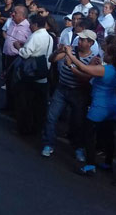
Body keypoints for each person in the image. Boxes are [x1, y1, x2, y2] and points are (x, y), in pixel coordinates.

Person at [66, 43, 116, 175]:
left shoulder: (105, 70)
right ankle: (108, 163)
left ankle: (90, 165)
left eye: (106, 53)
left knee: (89, 135)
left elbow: (84, 68)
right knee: (109, 136)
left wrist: (70, 56)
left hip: (99, 106)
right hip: (112, 105)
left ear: (110, 56)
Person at [42, 29, 95, 160]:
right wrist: (59, 51)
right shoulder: (72, 50)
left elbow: (86, 77)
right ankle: (48, 143)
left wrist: (71, 65)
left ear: (90, 43)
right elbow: (52, 59)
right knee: (51, 116)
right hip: (62, 88)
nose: (80, 42)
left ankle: (78, 147)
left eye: (83, 40)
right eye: (80, 39)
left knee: (78, 122)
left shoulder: (94, 58)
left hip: (78, 92)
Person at [14, 15, 53, 135]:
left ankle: (24, 129)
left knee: (26, 103)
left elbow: (25, 54)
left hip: (31, 74)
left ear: (35, 25)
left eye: (30, 24)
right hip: (43, 73)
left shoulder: (35, 36)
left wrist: (19, 47)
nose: (29, 26)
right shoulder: (49, 37)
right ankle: (37, 128)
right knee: (39, 105)